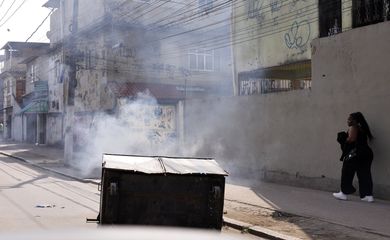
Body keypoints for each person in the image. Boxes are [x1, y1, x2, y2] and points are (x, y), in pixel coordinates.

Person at [333, 112, 374, 202]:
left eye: (350, 119)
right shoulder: (363, 128)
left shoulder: (354, 127)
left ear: (355, 121)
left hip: (355, 153)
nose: (348, 121)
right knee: (364, 173)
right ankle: (367, 195)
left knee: (346, 171)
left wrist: (343, 138)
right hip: (367, 153)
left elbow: (352, 139)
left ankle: (343, 193)